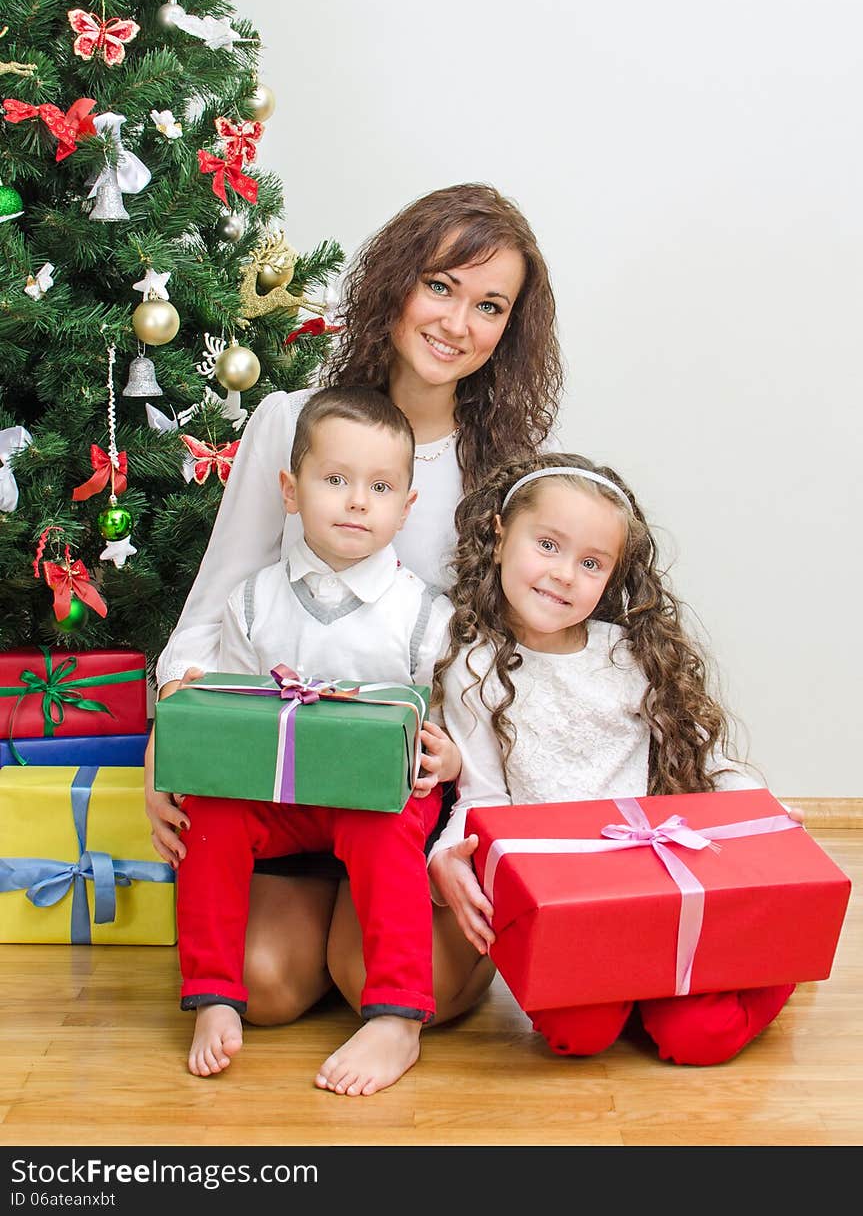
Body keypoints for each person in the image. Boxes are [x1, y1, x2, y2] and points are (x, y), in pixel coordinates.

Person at [146, 181, 563, 1032]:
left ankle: (376, 947)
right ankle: (315, 925)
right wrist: (174, 732)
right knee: (259, 987)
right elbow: (217, 603)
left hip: (412, 789)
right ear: (397, 284)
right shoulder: (291, 420)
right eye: (440, 286)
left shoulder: (510, 470)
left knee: (384, 973)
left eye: (489, 305)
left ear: (510, 330)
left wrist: (463, 773)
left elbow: (511, 655)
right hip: (286, 771)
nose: (455, 322)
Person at [428, 453, 798, 1066]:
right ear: (498, 538)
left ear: (612, 576)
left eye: (591, 563)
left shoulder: (629, 657)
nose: (564, 575)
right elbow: (483, 794)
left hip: (652, 880)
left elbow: (704, 758)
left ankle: (774, 966)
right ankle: (640, 993)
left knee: (697, 1040)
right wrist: (447, 855)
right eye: (547, 544)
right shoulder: (475, 670)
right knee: (579, 1035)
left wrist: (766, 819)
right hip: (566, 896)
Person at [173, 387, 460, 1093]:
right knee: (214, 811)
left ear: (406, 507)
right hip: (283, 790)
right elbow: (231, 711)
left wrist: (448, 752)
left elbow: (454, 714)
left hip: (378, 797)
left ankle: (397, 1017)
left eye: (380, 487)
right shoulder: (254, 600)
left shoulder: (422, 614)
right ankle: (213, 992)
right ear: (291, 490)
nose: (357, 501)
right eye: (335, 480)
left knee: (384, 819)